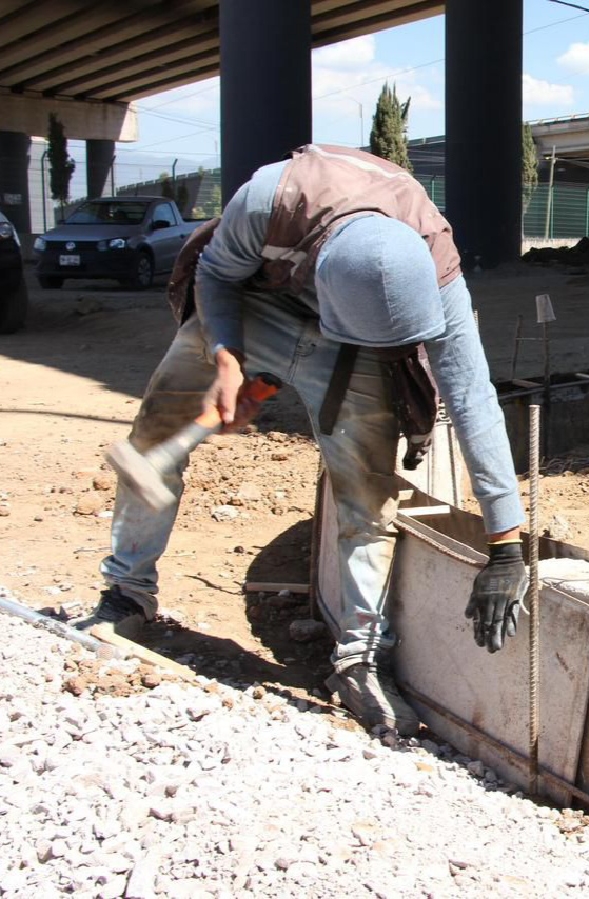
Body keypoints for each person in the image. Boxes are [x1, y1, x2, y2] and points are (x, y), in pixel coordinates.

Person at [75, 145, 529, 736]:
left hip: (354, 345)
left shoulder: (433, 263)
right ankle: (128, 593)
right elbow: (214, 272)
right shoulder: (270, 199)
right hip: (260, 302)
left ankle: (360, 656)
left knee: (367, 493)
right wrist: (227, 357)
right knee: (155, 437)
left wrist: (507, 545)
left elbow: (472, 399)